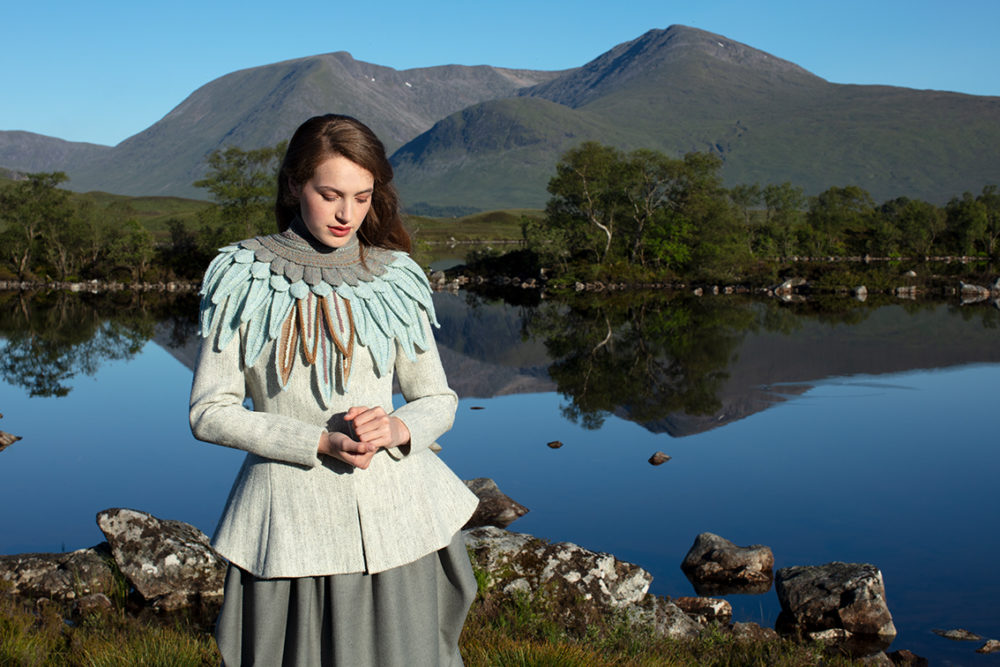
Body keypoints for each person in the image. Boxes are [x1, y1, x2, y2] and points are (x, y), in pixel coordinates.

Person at [189, 114, 479, 666]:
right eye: (330, 194)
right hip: (291, 530)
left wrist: (397, 427)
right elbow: (209, 412)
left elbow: (438, 399)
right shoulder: (240, 275)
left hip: (400, 523)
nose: (348, 214)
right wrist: (315, 442)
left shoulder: (396, 276)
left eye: (363, 197)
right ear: (296, 183)